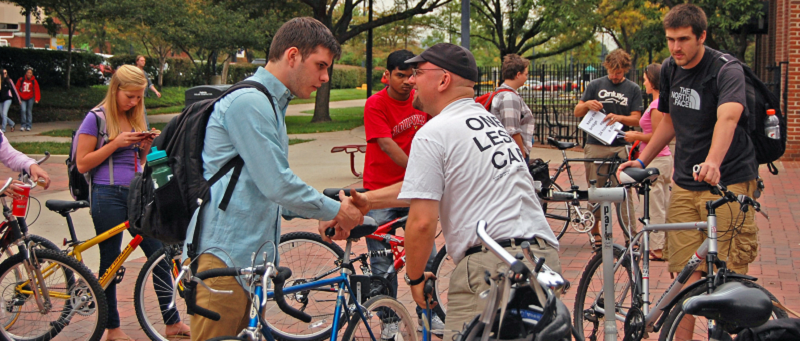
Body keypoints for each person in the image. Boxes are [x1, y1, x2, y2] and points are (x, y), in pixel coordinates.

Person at [322, 43, 562, 341]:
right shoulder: (488, 124)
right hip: (541, 259)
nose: (411, 81)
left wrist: (415, 277)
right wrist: (369, 199)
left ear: (443, 80)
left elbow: (422, 222)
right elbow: (431, 186)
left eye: (419, 73)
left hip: (492, 267)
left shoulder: (435, 132)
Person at [182, 17, 363, 340]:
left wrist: (321, 210)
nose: (324, 77)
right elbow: (277, 184)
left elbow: (263, 189)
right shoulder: (250, 103)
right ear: (292, 55)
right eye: (320, 65)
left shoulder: (270, 104)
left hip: (249, 262)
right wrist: (334, 210)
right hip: (225, 261)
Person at [617, 5, 757, 340]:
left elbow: (729, 117)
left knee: (726, 277)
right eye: (670, 40)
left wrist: (713, 161)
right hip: (685, 182)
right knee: (683, 277)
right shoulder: (670, 69)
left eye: (683, 39)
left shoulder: (725, 69)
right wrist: (641, 159)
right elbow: (668, 120)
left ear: (702, 36)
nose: (676, 47)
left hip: (727, 180)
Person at [75, 65, 191, 341]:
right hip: (106, 194)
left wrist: (147, 143)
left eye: (139, 97)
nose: (135, 102)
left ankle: (172, 321)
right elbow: (82, 163)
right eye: (130, 96)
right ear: (115, 90)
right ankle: (111, 328)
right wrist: (116, 143)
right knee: (110, 262)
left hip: (136, 193)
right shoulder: (96, 118)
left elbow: (142, 161)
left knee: (159, 255)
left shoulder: (136, 115)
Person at [362, 49, 442, 330]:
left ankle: (430, 316)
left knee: (428, 256)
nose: (408, 81)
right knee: (382, 264)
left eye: (412, 75)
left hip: (413, 192)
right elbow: (385, 143)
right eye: (401, 75)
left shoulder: (421, 102)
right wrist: (417, 170)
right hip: (380, 191)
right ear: (387, 75)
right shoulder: (375, 104)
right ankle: (389, 322)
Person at [573, 49, 643, 248]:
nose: (615, 76)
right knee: (596, 189)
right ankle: (594, 231)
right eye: (612, 71)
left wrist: (619, 117)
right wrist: (587, 104)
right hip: (595, 144)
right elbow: (577, 111)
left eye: (619, 72)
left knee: (623, 192)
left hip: (619, 146)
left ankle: (631, 235)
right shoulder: (595, 85)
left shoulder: (633, 89)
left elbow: (637, 118)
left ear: (625, 70)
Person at [622, 63, 672, 261]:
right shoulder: (656, 104)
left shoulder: (658, 105)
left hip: (657, 160)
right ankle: (660, 244)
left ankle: (658, 247)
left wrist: (637, 136)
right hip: (659, 159)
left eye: (645, 79)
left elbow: (659, 136)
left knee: (655, 205)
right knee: (659, 203)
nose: (643, 83)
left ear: (653, 81)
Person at [489, 54, 534, 162]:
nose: (526, 78)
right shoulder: (510, 97)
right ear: (518, 74)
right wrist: (522, 156)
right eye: (526, 74)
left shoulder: (501, 93)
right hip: (513, 154)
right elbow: (512, 130)